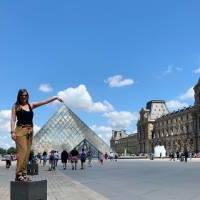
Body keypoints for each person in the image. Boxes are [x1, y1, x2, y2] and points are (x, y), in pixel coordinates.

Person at [10, 89, 63, 181]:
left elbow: (44, 102)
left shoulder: (31, 105)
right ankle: (18, 174)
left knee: (27, 153)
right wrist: (12, 131)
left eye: (26, 95)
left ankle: (24, 174)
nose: (24, 97)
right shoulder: (16, 106)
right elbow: (13, 119)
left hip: (30, 130)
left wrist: (55, 98)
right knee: (22, 152)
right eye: (22, 95)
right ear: (19, 96)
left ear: (28, 96)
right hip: (20, 130)